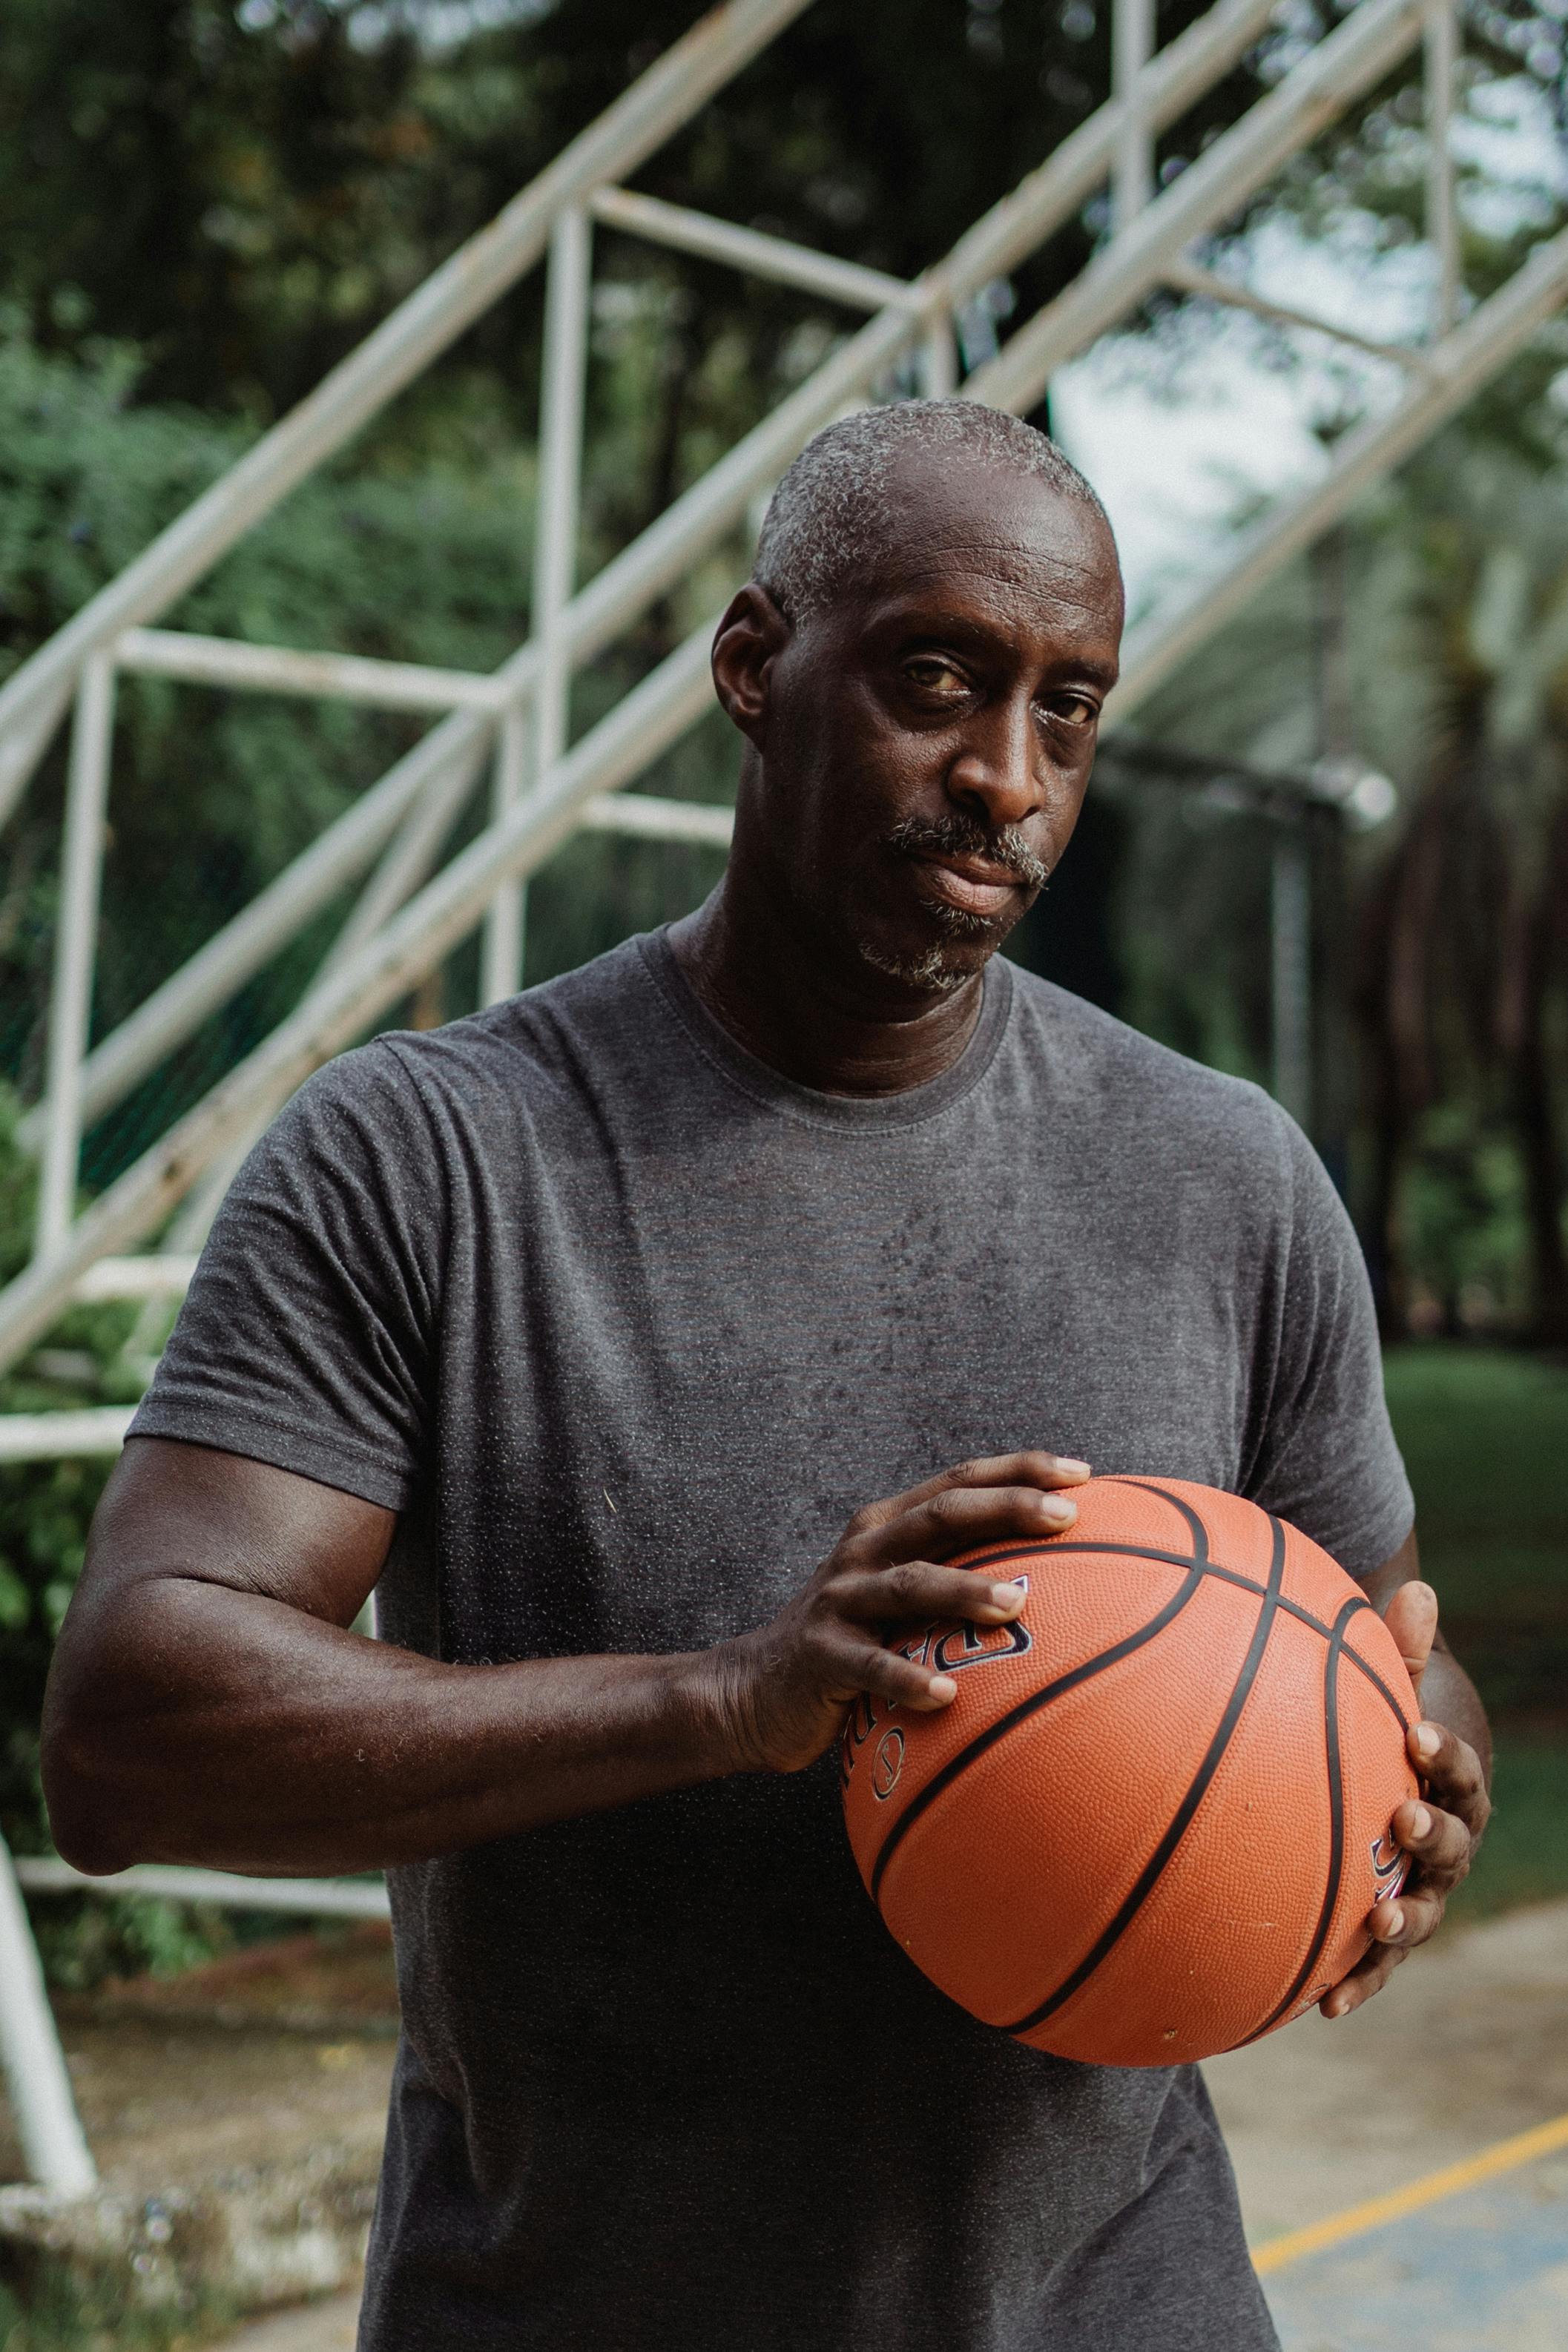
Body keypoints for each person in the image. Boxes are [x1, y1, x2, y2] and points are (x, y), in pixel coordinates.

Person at [43, 401, 1490, 2351]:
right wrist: (725, 1698)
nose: (1004, 778)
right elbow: (130, 1728)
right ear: (751, 668)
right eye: (933, 680)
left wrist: (1398, 1786)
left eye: (1066, 711)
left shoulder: (1220, 1177)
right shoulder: (432, 1154)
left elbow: (1380, 1632)